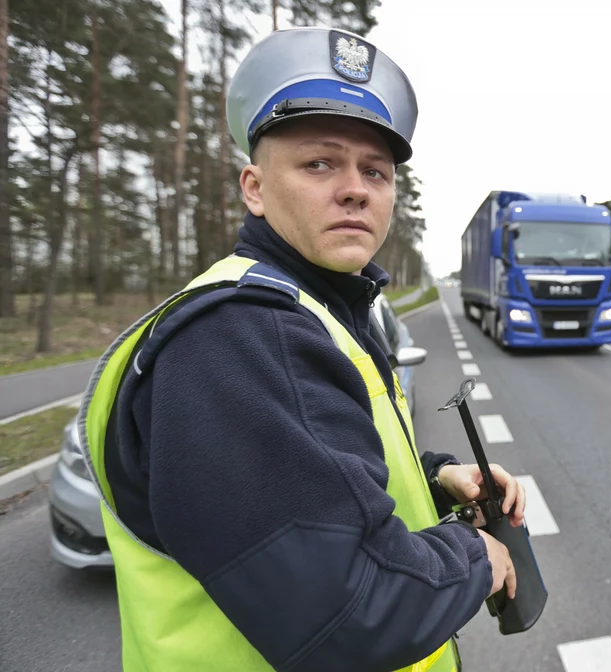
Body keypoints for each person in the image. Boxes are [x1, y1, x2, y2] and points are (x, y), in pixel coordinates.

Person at [79, 26, 524, 672]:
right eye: (320, 163)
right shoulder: (241, 337)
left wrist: (436, 481)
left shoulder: (321, 310)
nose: (355, 188)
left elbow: (320, 472)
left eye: (376, 170)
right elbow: (348, 609)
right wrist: (476, 557)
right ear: (254, 188)